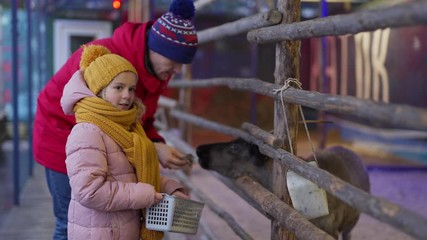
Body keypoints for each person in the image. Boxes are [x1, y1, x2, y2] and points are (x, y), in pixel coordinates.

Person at [32, 0, 197, 239]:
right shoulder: (106, 62)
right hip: (62, 135)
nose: (177, 70)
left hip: (107, 147)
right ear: (156, 49)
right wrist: (149, 149)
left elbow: (138, 117)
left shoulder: (153, 72)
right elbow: (64, 106)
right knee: (70, 221)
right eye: (174, 62)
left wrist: (155, 144)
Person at [62, 44, 188, 240]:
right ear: (99, 89)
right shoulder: (87, 132)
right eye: (118, 87)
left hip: (122, 230)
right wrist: (144, 195)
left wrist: (168, 188)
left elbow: (135, 174)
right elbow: (89, 191)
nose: (127, 96)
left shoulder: (128, 126)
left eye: (131, 89)